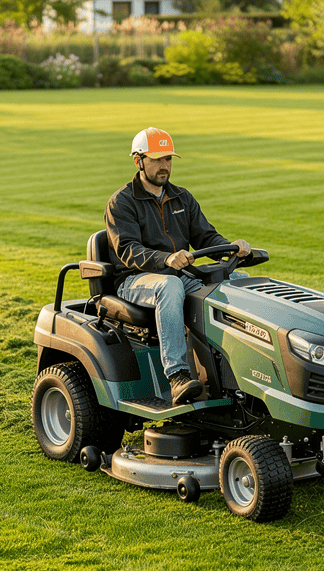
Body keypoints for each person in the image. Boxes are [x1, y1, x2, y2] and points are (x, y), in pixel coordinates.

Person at [104, 127, 251, 404]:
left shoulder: (182, 197)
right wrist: (166, 259)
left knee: (239, 281)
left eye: (168, 159)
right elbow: (128, 250)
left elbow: (206, 236)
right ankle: (178, 376)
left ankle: (236, 369)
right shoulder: (121, 202)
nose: (164, 166)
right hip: (136, 280)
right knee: (169, 285)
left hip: (180, 274)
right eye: (158, 159)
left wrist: (233, 248)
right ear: (138, 161)